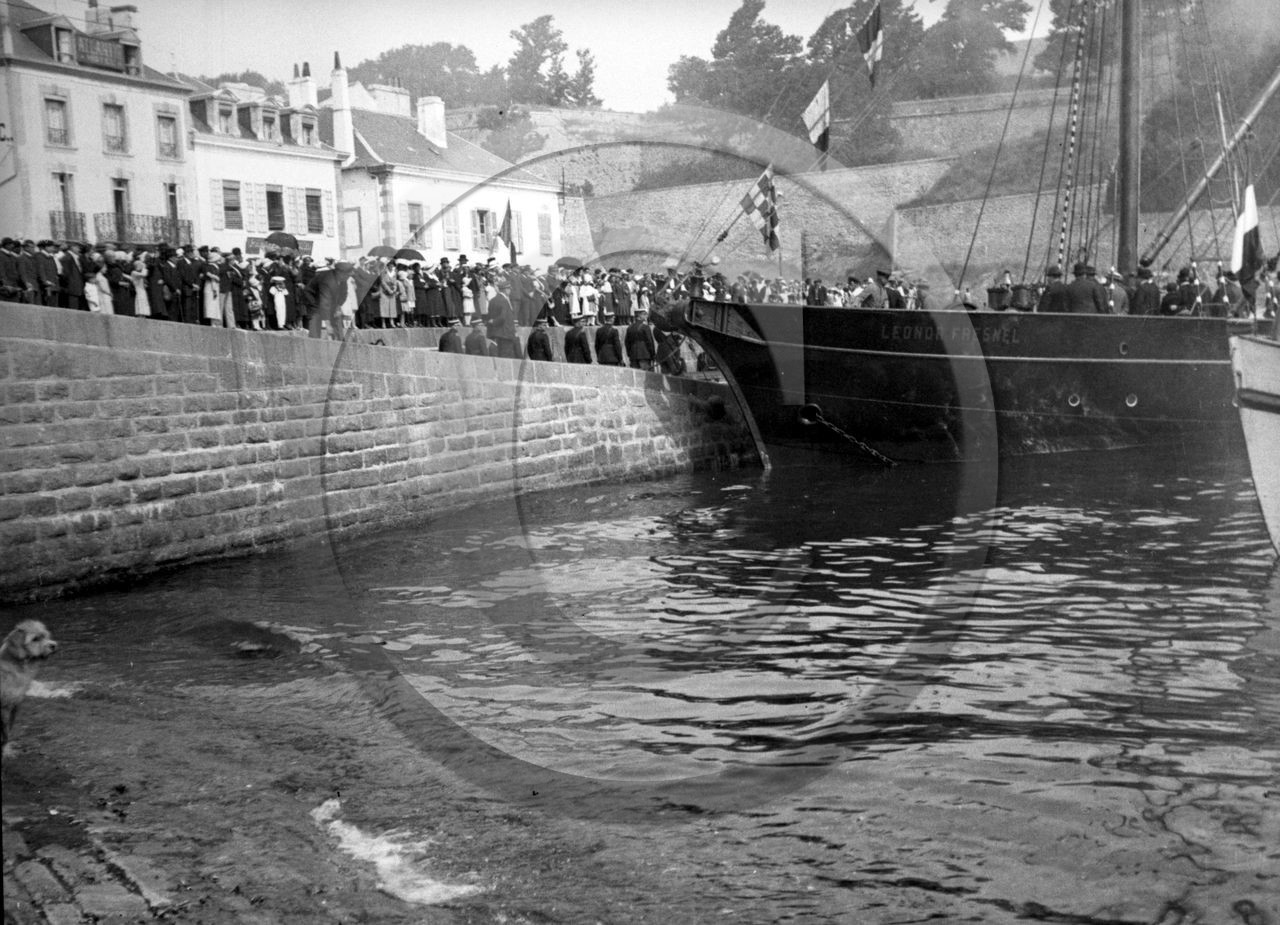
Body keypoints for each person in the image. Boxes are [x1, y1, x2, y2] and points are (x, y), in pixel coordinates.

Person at [301, 260, 354, 340]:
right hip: (313, 299)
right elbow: (324, 302)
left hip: (327, 300)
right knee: (316, 318)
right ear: (340, 273)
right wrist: (328, 325)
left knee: (336, 318)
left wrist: (338, 307)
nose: (348, 277)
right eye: (347, 275)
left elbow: (343, 295)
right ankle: (314, 344)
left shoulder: (343, 279)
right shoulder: (327, 280)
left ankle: (338, 342)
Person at [486, 274, 518, 358]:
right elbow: (503, 317)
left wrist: (492, 322)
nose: (510, 291)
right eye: (509, 289)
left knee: (500, 355)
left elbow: (489, 316)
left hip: (497, 333)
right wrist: (494, 322)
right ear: (505, 290)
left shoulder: (493, 300)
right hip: (506, 333)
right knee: (506, 355)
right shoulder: (504, 300)